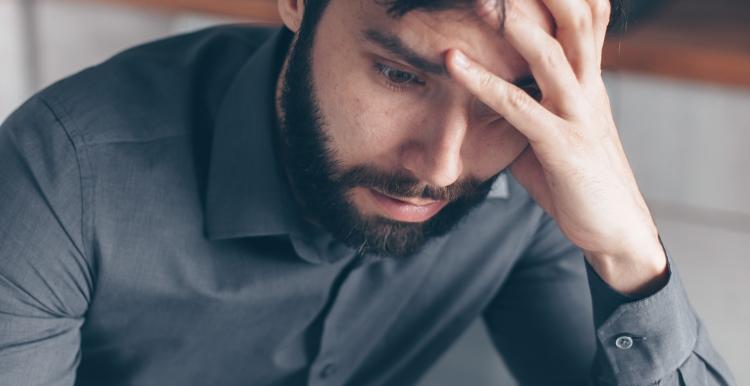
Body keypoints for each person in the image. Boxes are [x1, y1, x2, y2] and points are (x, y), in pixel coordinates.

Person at [0, 0, 736, 384]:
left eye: (509, 101)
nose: (442, 167)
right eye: (400, 75)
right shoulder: (63, 181)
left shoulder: (527, 186)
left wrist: (629, 252)